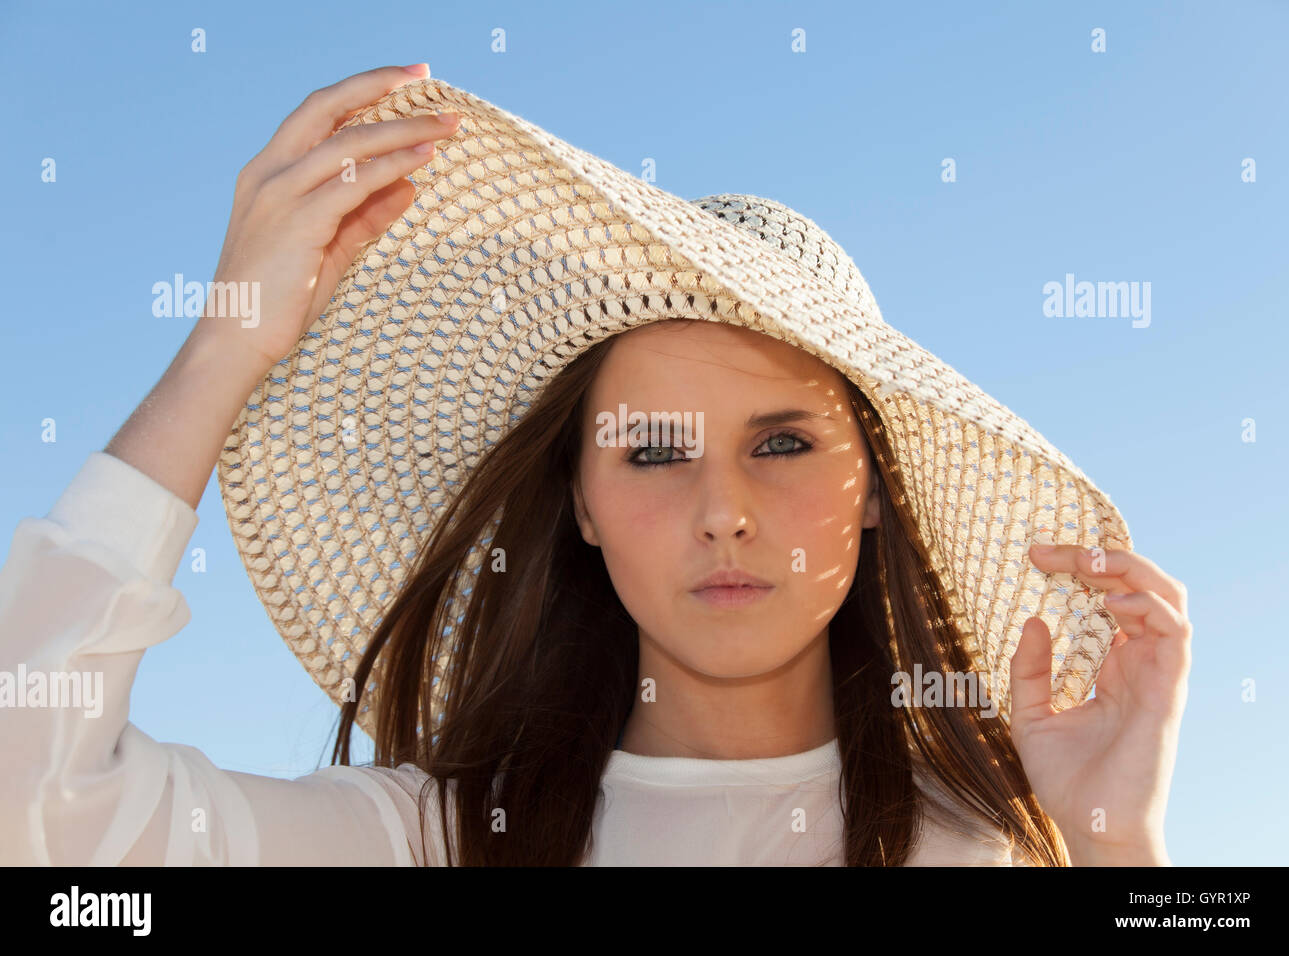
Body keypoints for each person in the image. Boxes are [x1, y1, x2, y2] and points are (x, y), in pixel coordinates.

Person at [0, 65, 1191, 867]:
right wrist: (226, 344)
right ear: (578, 501)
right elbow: (38, 815)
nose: (723, 511)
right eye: (652, 452)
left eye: (781, 441)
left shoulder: (983, 851)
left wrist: (1116, 843)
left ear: (873, 485)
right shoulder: (433, 838)